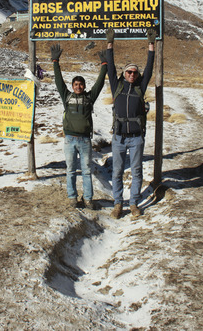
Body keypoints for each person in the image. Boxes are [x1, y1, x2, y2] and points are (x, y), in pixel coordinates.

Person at [106, 28, 156, 218]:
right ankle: (118, 203)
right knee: (117, 171)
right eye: (129, 72)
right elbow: (110, 66)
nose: (132, 75)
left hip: (136, 138)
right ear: (124, 73)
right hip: (118, 137)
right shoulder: (116, 86)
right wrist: (110, 44)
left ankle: (134, 203)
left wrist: (151, 46)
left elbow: (149, 69)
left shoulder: (140, 88)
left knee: (136, 171)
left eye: (135, 72)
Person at [50, 43, 108, 209]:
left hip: (84, 141)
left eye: (81, 84)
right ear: (73, 86)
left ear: (84, 86)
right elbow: (59, 81)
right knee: (70, 170)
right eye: (75, 84)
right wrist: (55, 61)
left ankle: (88, 199)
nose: (78, 86)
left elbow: (99, 84)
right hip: (69, 139)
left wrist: (104, 66)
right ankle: (72, 197)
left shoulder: (89, 98)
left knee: (87, 171)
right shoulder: (66, 96)